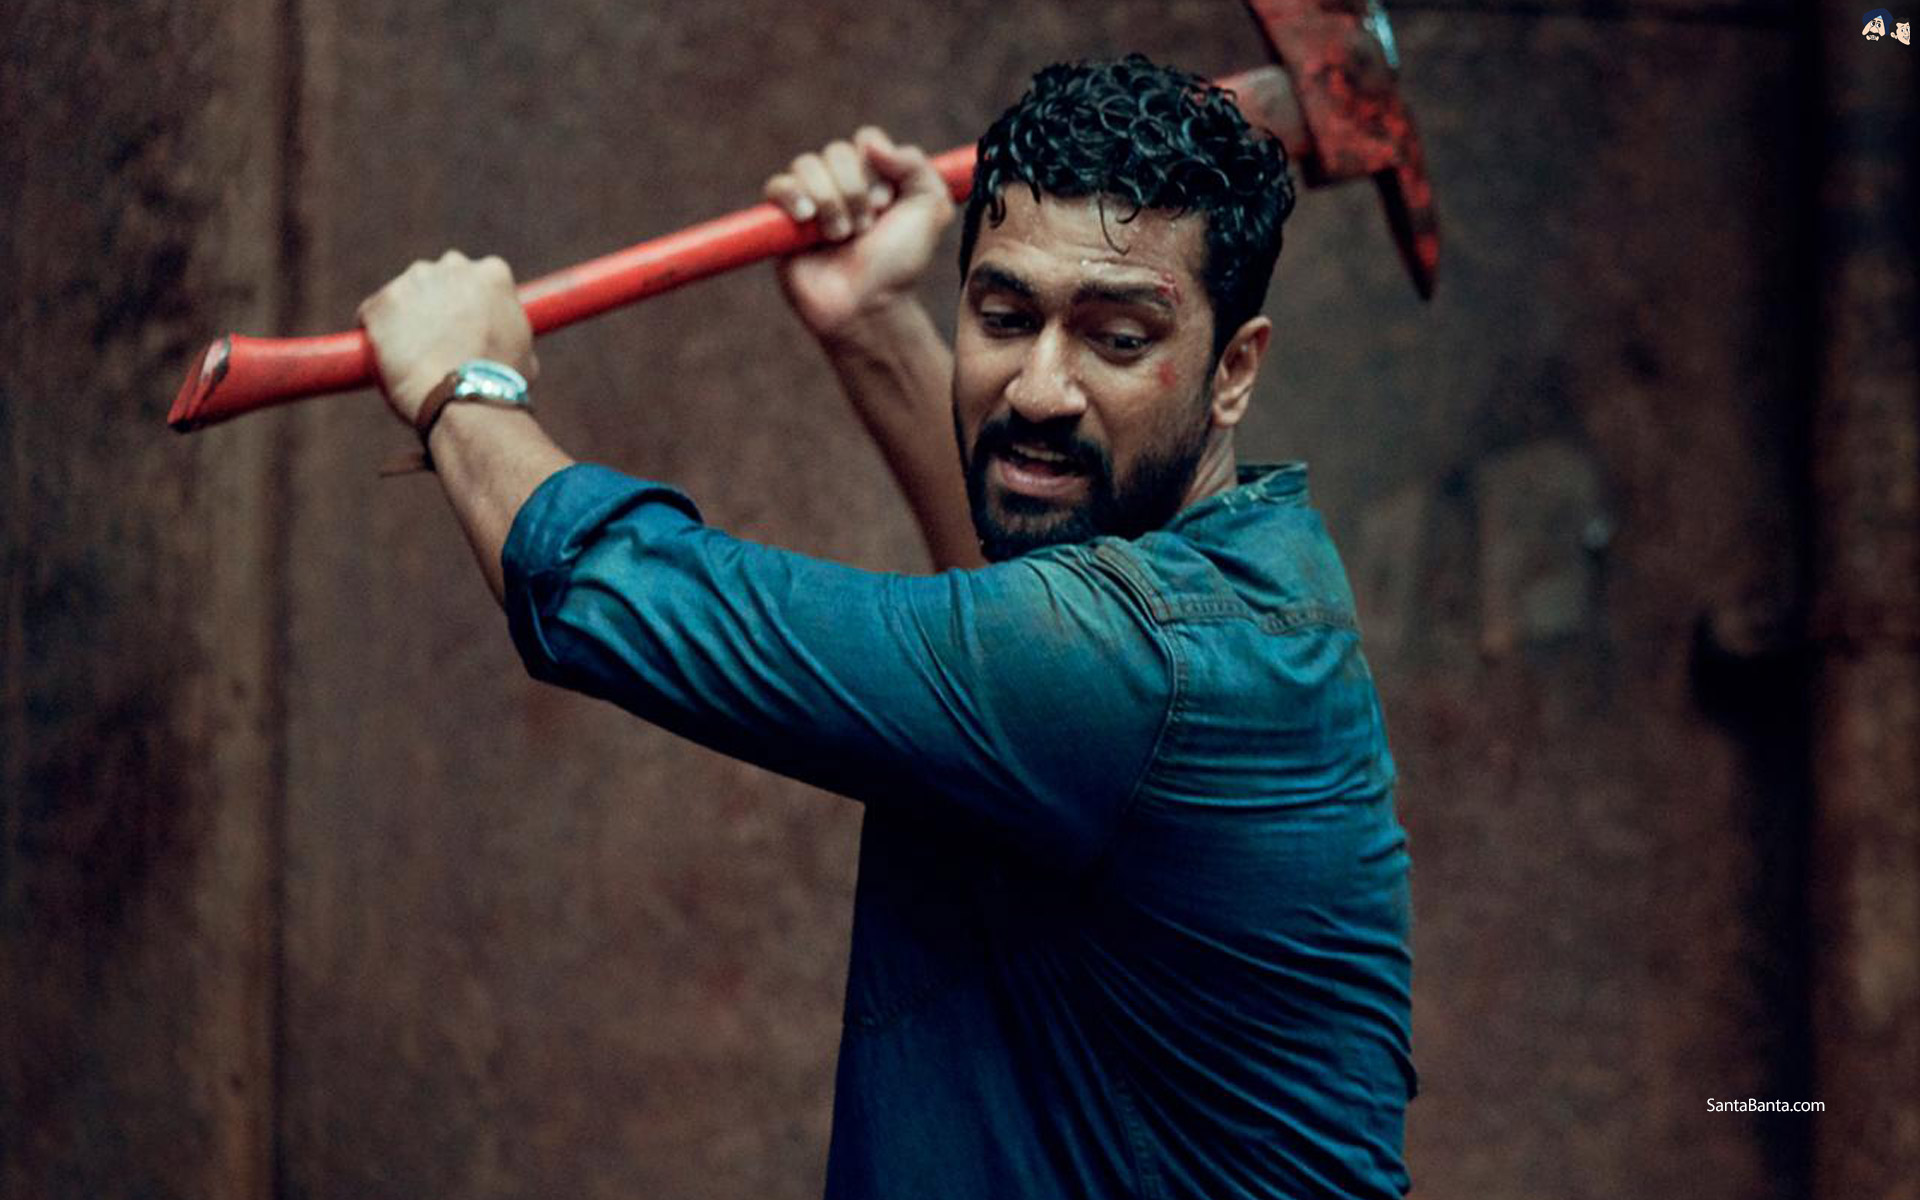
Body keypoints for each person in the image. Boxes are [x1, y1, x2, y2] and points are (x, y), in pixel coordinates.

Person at [358, 54, 1414, 1200]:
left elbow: (614, 597)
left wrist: (466, 387)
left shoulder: (1161, 664)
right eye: (1003, 317)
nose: (1038, 389)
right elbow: (1019, 613)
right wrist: (867, 321)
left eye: (1118, 339)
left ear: (1234, 370)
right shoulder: (1231, 578)